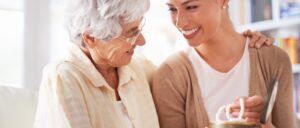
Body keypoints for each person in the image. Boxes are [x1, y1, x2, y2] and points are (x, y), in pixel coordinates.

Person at [33, 0, 274, 128]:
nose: (141, 40)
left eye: (139, 28)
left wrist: (239, 44)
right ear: (91, 38)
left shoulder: (137, 70)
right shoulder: (63, 79)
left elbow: (187, 89)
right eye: (130, 33)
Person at [151, 0, 293, 128]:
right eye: (172, 9)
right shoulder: (169, 77)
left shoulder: (274, 60)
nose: (180, 23)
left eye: (191, 7)